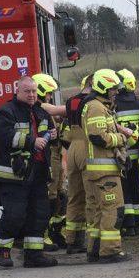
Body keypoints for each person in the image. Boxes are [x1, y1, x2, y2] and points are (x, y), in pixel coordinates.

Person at [0, 76, 58, 268]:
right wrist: (31, 141)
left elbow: (49, 135)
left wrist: (53, 136)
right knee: (15, 214)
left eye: (34, 91)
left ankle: (34, 255)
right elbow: (4, 136)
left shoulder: (41, 111)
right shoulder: (6, 112)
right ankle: (1, 250)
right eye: (27, 91)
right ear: (17, 91)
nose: (31, 95)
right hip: (13, 175)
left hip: (38, 172)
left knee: (40, 214)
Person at [82, 68, 134, 263]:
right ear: (103, 87)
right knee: (114, 210)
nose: (116, 92)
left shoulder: (101, 106)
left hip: (102, 171)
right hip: (105, 173)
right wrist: (121, 137)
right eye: (113, 88)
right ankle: (110, 251)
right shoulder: (96, 107)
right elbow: (98, 137)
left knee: (99, 212)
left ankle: (95, 251)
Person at [31, 72, 66, 250]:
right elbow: (54, 110)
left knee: (60, 195)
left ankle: (55, 232)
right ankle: (43, 236)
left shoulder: (43, 108)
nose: (51, 96)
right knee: (49, 196)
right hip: (49, 155)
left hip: (56, 153)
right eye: (49, 92)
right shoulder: (41, 106)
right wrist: (80, 106)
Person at [63, 76, 93, 253]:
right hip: (87, 148)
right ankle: (93, 243)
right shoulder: (93, 102)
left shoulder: (70, 101)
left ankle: (72, 241)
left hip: (72, 149)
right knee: (92, 197)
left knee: (74, 197)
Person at [114, 68, 139, 236]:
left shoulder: (114, 103)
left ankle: (128, 225)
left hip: (122, 155)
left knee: (124, 191)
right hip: (137, 155)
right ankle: (138, 223)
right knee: (135, 188)